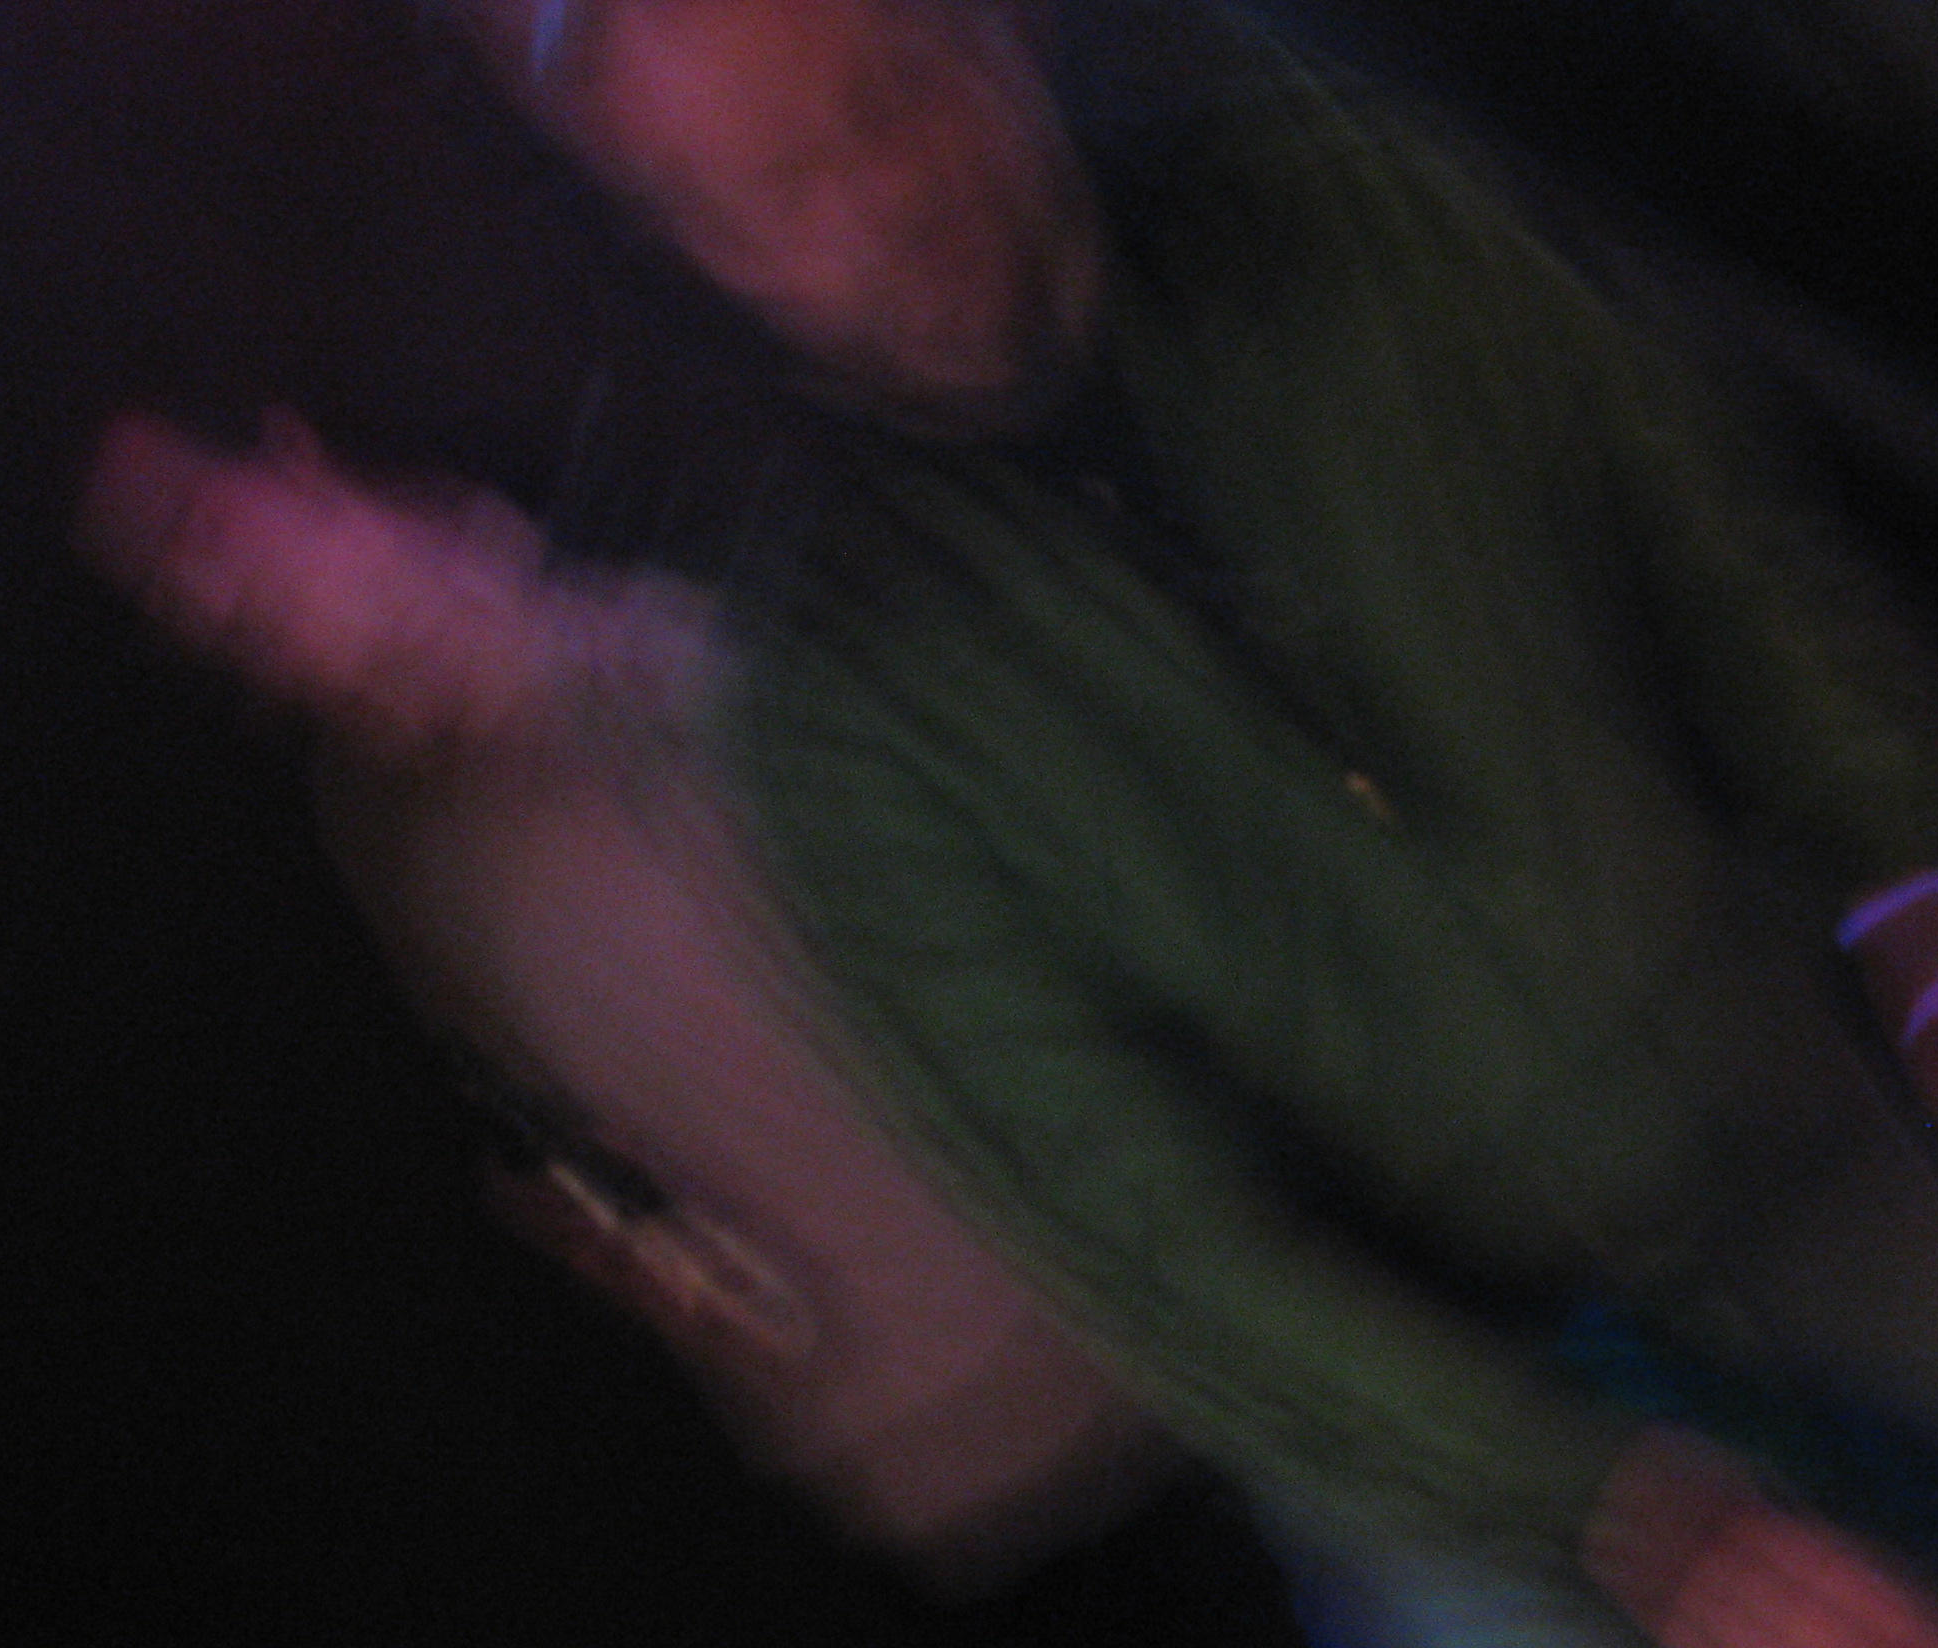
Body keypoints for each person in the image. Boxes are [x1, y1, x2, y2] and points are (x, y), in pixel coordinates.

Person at [455, 0, 1938, 1648]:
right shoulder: (831, 690)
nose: (890, 195)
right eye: (788, 185)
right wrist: (1638, 1524)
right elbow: (1151, 1243)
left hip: (1778, 1121)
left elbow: (1704, 530)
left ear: (991, 26)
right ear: (690, 239)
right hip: (1426, 1402)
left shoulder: (1330, 193)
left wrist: (1936, 916)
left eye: (901, 90)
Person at [75, 408, 1169, 1583]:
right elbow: (581, 1166)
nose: (211, 599)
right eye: (187, 608)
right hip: (984, 1426)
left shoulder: (653, 600)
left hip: (1141, 1297)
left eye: (204, 529)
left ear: (296, 458)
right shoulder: (433, 850)